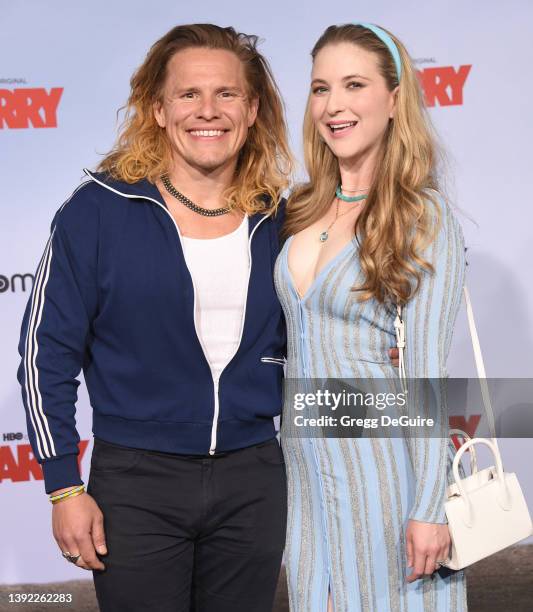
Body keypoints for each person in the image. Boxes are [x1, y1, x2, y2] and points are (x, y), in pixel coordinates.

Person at [17, 24, 292, 612]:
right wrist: (64, 484)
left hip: (254, 481)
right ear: (159, 109)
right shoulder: (96, 212)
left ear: (251, 110)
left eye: (226, 94)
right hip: (137, 485)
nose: (208, 111)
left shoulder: (281, 220)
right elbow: (45, 355)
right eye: (189, 95)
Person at [275, 23, 467, 611]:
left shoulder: (422, 216)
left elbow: (427, 375)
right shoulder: (300, 210)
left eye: (354, 84)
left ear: (393, 97)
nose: (333, 106)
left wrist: (430, 508)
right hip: (306, 482)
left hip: (386, 476)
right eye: (320, 88)